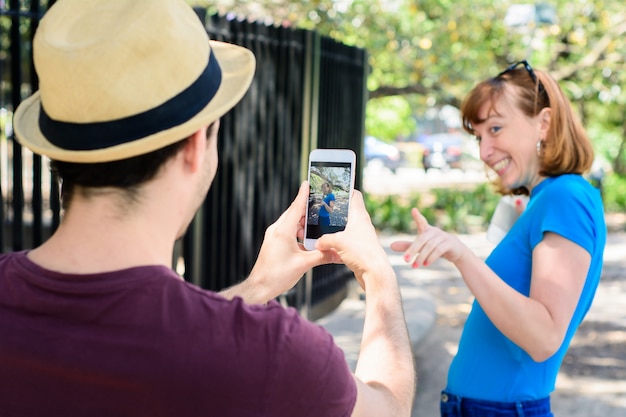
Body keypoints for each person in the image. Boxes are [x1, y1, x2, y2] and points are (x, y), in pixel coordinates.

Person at [0, 0, 415, 416]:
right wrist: (377, 275)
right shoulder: (277, 354)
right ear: (196, 144)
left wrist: (255, 289)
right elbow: (390, 407)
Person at [392, 60, 606, 416]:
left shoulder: (565, 196)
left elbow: (543, 338)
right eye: (479, 136)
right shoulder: (545, 198)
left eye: (495, 128)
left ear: (545, 123)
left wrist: (462, 256)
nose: (484, 152)